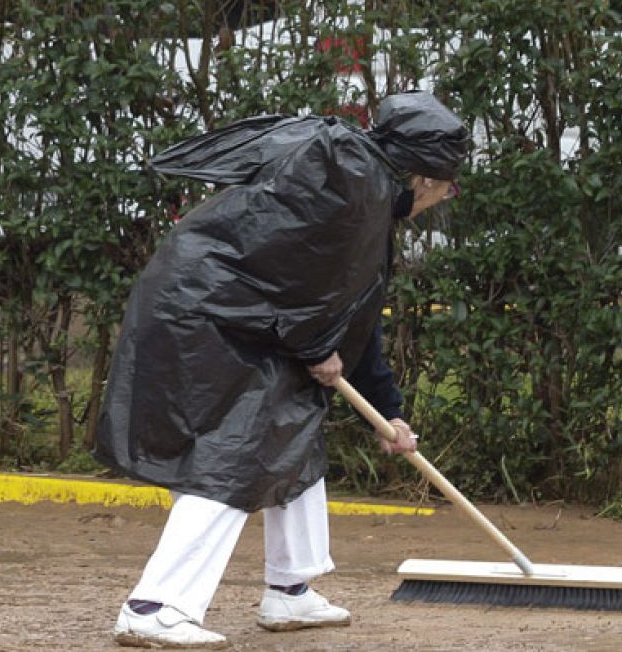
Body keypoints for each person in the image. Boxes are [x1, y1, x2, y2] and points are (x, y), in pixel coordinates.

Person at [95, 92, 469, 649]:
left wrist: (387, 413)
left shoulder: (362, 187)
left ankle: (289, 590)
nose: (446, 195)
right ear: (424, 178)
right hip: (205, 316)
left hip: (233, 316)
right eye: (448, 185)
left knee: (292, 421)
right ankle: (155, 605)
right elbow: (290, 273)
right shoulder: (350, 187)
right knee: (235, 451)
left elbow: (355, 319)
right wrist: (316, 346)